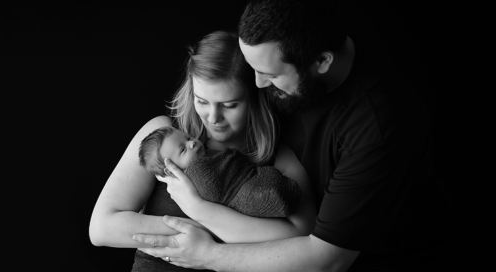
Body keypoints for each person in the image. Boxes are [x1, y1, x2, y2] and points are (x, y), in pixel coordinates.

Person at [132, 0, 452, 271]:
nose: (256, 85)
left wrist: (207, 253)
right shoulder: (289, 51)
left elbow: (328, 257)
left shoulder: (378, 126)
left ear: (322, 62)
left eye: (269, 75)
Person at [89, 30, 317, 272]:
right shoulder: (163, 136)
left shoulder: (276, 156)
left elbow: (304, 238)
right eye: (202, 101)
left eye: (229, 105)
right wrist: (201, 230)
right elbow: (103, 228)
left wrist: (200, 209)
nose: (213, 117)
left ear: (255, 97)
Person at [139, 125, 302, 218]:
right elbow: (213, 190)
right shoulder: (193, 176)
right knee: (267, 195)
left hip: (251, 179)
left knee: (271, 186)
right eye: (182, 150)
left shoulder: (205, 155)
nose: (192, 144)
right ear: (172, 170)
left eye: (188, 138)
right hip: (242, 195)